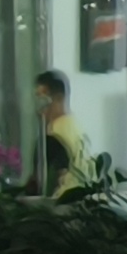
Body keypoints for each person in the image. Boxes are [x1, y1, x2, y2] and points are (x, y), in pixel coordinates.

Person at [32, 70, 96, 198]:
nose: (38, 109)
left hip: (63, 203)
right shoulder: (77, 128)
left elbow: (42, 186)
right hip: (86, 201)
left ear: (59, 98)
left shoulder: (52, 137)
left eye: (42, 100)